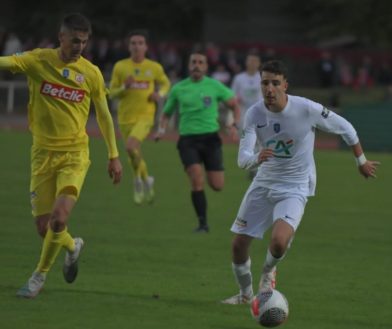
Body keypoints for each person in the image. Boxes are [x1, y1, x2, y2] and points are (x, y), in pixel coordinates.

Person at [221, 60, 379, 304]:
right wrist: (256, 158)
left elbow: (347, 128)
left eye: (275, 83)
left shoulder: (306, 109)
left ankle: (268, 272)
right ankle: (244, 296)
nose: (269, 89)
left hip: (295, 186)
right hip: (263, 184)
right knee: (238, 246)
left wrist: (361, 161)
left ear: (285, 85)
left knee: (278, 241)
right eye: (265, 83)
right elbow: (242, 160)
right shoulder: (253, 114)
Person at [0, 13, 123, 298]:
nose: (79, 46)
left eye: (84, 41)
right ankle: (72, 245)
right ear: (61, 38)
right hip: (42, 155)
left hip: (75, 154)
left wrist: (113, 155)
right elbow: (6, 62)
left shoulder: (91, 73)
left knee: (58, 217)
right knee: (45, 228)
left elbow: (103, 114)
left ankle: (38, 277)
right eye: (75, 40)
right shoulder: (38, 60)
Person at [155, 51, 240, 233]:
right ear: (189, 65)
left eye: (201, 62)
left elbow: (234, 103)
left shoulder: (215, 86)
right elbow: (166, 113)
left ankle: (203, 220)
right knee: (196, 178)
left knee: (217, 185)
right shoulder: (179, 88)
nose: (197, 65)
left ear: (206, 66)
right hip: (188, 140)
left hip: (211, 139)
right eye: (193, 61)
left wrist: (234, 124)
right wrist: (161, 130)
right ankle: (203, 224)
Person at [109, 30, 170, 204]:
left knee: (130, 147)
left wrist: (160, 94)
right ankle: (145, 179)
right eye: (133, 43)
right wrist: (124, 88)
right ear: (129, 46)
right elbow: (112, 94)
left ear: (146, 46)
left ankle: (137, 182)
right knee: (133, 153)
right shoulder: (120, 66)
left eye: (140, 43)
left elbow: (166, 83)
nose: (137, 46)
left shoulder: (154, 67)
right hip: (125, 117)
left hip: (146, 116)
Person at [230, 53, 263, 178]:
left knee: (259, 141)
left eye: (255, 61)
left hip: (260, 114)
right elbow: (232, 95)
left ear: (259, 63)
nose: (253, 63)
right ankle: (251, 165)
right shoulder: (239, 78)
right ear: (246, 62)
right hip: (244, 114)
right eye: (251, 61)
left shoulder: (262, 77)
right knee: (246, 141)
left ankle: (255, 169)